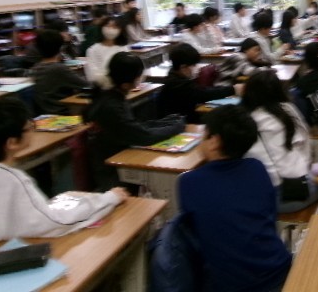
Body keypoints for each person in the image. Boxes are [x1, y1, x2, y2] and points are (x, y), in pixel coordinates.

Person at [0, 98, 129, 248]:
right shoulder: (11, 180)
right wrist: (110, 198)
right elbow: (56, 223)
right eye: (29, 127)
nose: (33, 129)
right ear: (12, 143)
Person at [178, 105, 291, 292]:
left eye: (203, 134)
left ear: (214, 141)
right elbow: (271, 216)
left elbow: (193, 238)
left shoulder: (189, 182)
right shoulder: (257, 168)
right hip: (279, 272)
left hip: (231, 284)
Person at [84, 52, 185, 190]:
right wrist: (177, 127)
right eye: (139, 77)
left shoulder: (112, 93)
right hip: (113, 171)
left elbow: (133, 126)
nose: (141, 80)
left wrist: (166, 122)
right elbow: (143, 136)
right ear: (126, 84)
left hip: (121, 155)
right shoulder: (111, 106)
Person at [242, 70, 318, 213]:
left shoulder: (245, 121)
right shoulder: (288, 109)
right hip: (300, 189)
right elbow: (308, 145)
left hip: (269, 197)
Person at [157, 43, 240, 123]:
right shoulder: (177, 84)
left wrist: (230, 89)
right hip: (180, 124)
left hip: (184, 119)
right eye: (193, 65)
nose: (196, 68)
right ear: (183, 67)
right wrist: (233, 89)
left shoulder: (177, 76)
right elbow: (203, 94)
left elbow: (202, 90)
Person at [31, 29, 89, 115]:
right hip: (63, 113)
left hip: (45, 115)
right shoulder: (59, 69)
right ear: (60, 47)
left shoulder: (35, 68)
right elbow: (86, 85)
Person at [84, 16, 129, 89]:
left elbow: (129, 68)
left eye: (115, 27)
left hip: (123, 87)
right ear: (101, 28)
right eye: (108, 26)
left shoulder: (123, 48)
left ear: (120, 30)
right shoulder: (93, 50)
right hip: (103, 89)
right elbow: (92, 74)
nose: (111, 29)